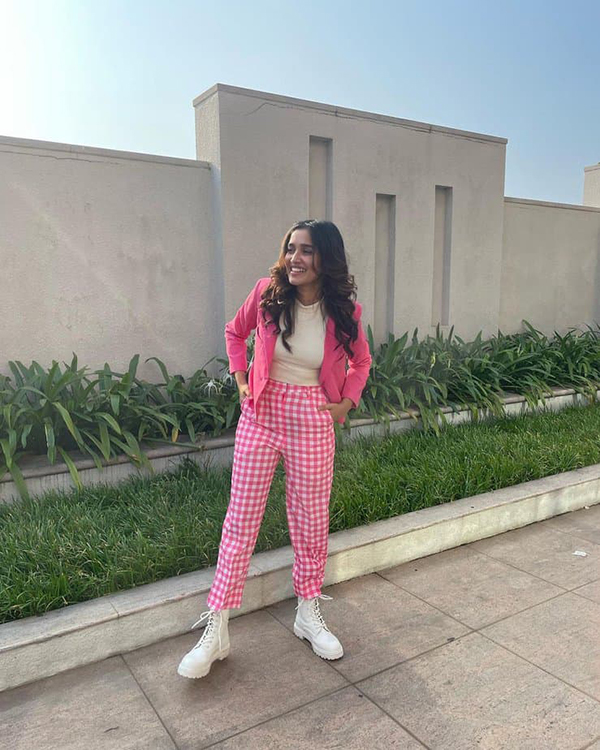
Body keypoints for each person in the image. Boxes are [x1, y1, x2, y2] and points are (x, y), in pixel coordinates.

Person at [177, 219, 372, 679]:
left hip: (313, 417)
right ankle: (217, 628)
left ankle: (307, 611)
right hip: (262, 414)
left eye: (306, 250)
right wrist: (241, 379)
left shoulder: (345, 311)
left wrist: (345, 404)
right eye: (290, 248)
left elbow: (361, 361)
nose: (294, 259)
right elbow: (234, 331)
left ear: (326, 257)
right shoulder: (268, 293)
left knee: (310, 517)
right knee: (241, 518)